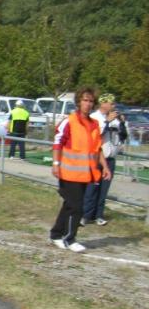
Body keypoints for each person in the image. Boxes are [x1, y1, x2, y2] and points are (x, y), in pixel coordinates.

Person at [49, 87, 111, 253]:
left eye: (91, 101)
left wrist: (105, 166)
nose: (88, 104)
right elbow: (57, 143)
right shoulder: (69, 121)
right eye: (85, 100)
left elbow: (97, 148)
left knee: (69, 205)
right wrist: (55, 164)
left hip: (85, 174)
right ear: (78, 101)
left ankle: (56, 234)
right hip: (68, 172)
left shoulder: (94, 124)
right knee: (77, 207)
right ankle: (70, 238)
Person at [82, 93, 127, 226]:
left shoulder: (116, 119)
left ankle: (99, 215)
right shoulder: (94, 117)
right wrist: (107, 122)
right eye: (111, 103)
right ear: (103, 104)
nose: (114, 106)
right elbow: (95, 136)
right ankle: (86, 215)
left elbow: (124, 136)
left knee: (104, 189)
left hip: (110, 158)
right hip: (96, 158)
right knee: (92, 188)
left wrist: (122, 123)